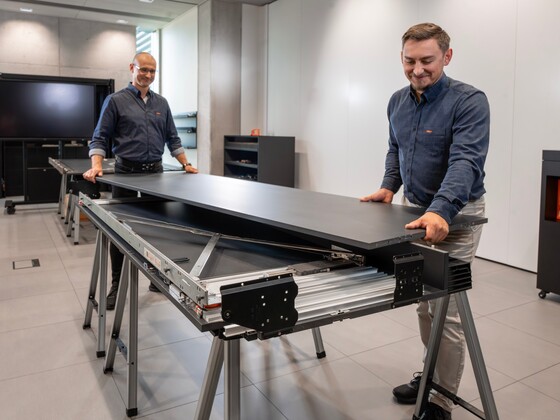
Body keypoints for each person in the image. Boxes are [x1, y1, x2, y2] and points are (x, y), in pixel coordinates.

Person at [360, 23, 490, 420]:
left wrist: (440, 208)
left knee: (446, 312)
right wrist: (389, 187)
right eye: (409, 61)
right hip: (415, 215)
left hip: (458, 218)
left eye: (427, 61)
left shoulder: (469, 101)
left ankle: (441, 401)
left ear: (447, 57)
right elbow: (395, 148)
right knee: (422, 304)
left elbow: (466, 161)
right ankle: (430, 374)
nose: (417, 70)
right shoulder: (397, 101)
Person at [83, 52, 198, 310]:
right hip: (125, 174)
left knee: (157, 228)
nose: (147, 75)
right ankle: (116, 285)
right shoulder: (115, 101)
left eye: (152, 71)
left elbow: (173, 138)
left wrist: (185, 164)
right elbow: (100, 137)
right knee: (120, 230)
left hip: (156, 173)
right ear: (132, 68)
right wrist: (96, 166)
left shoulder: (162, 103)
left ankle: (156, 278)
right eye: (143, 69)